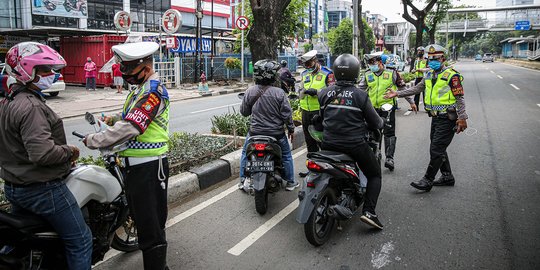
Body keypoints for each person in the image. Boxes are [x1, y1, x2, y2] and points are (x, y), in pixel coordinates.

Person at [0, 42, 92, 269]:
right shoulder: (31, 107)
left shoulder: (8, 101)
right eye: (44, 70)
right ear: (26, 71)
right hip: (42, 189)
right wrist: (70, 151)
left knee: (22, 239)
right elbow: (42, 154)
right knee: (81, 240)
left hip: (14, 186)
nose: (51, 75)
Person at [83, 42, 171, 269]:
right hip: (135, 167)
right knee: (143, 222)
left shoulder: (153, 92)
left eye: (129, 72)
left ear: (146, 68)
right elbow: (127, 117)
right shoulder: (139, 90)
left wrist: (95, 140)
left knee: (151, 227)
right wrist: (111, 120)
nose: (126, 77)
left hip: (150, 167)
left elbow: (132, 126)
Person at [385, 44, 468, 192]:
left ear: (442, 58)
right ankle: (447, 176)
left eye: (435, 59)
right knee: (438, 148)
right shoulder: (429, 74)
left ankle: (427, 180)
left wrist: (462, 118)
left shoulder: (452, 76)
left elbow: (460, 98)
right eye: (429, 59)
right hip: (435, 118)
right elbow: (417, 88)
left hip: (448, 118)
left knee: (436, 149)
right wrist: (397, 94)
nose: (431, 62)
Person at [317, 54, 384, 229]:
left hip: (328, 144)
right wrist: (382, 122)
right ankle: (369, 212)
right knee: (375, 174)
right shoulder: (360, 95)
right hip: (354, 145)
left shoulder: (324, 93)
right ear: (356, 72)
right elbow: (376, 123)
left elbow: (323, 118)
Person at [238, 59, 298, 191]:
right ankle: (290, 182)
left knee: (244, 153)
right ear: (273, 76)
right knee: (287, 155)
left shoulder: (249, 91)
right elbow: (287, 116)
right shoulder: (279, 93)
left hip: (254, 133)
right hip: (276, 134)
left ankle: (242, 180)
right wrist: (291, 129)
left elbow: (244, 112)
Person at [360, 52, 416, 171]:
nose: (371, 65)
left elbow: (402, 88)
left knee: (389, 133)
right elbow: (360, 89)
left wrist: (411, 102)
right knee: (371, 133)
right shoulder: (367, 74)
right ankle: (374, 155)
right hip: (372, 109)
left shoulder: (392, 72)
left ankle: (390, 158)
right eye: (369, 63)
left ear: (380, 62)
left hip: (388, 108)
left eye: (373, 63)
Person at [298, 50, 335, 177]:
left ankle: (326, 168)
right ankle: (312, 169)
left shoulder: (327, 73)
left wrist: (317, 92)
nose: (308, 67)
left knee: (322, 141)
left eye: (309, 63)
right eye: (305, 65)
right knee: (309, 141)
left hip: (319, 111)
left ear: (315, 60)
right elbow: (301, 89)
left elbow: (332, 91)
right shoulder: (304, 74)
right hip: (305, 111)